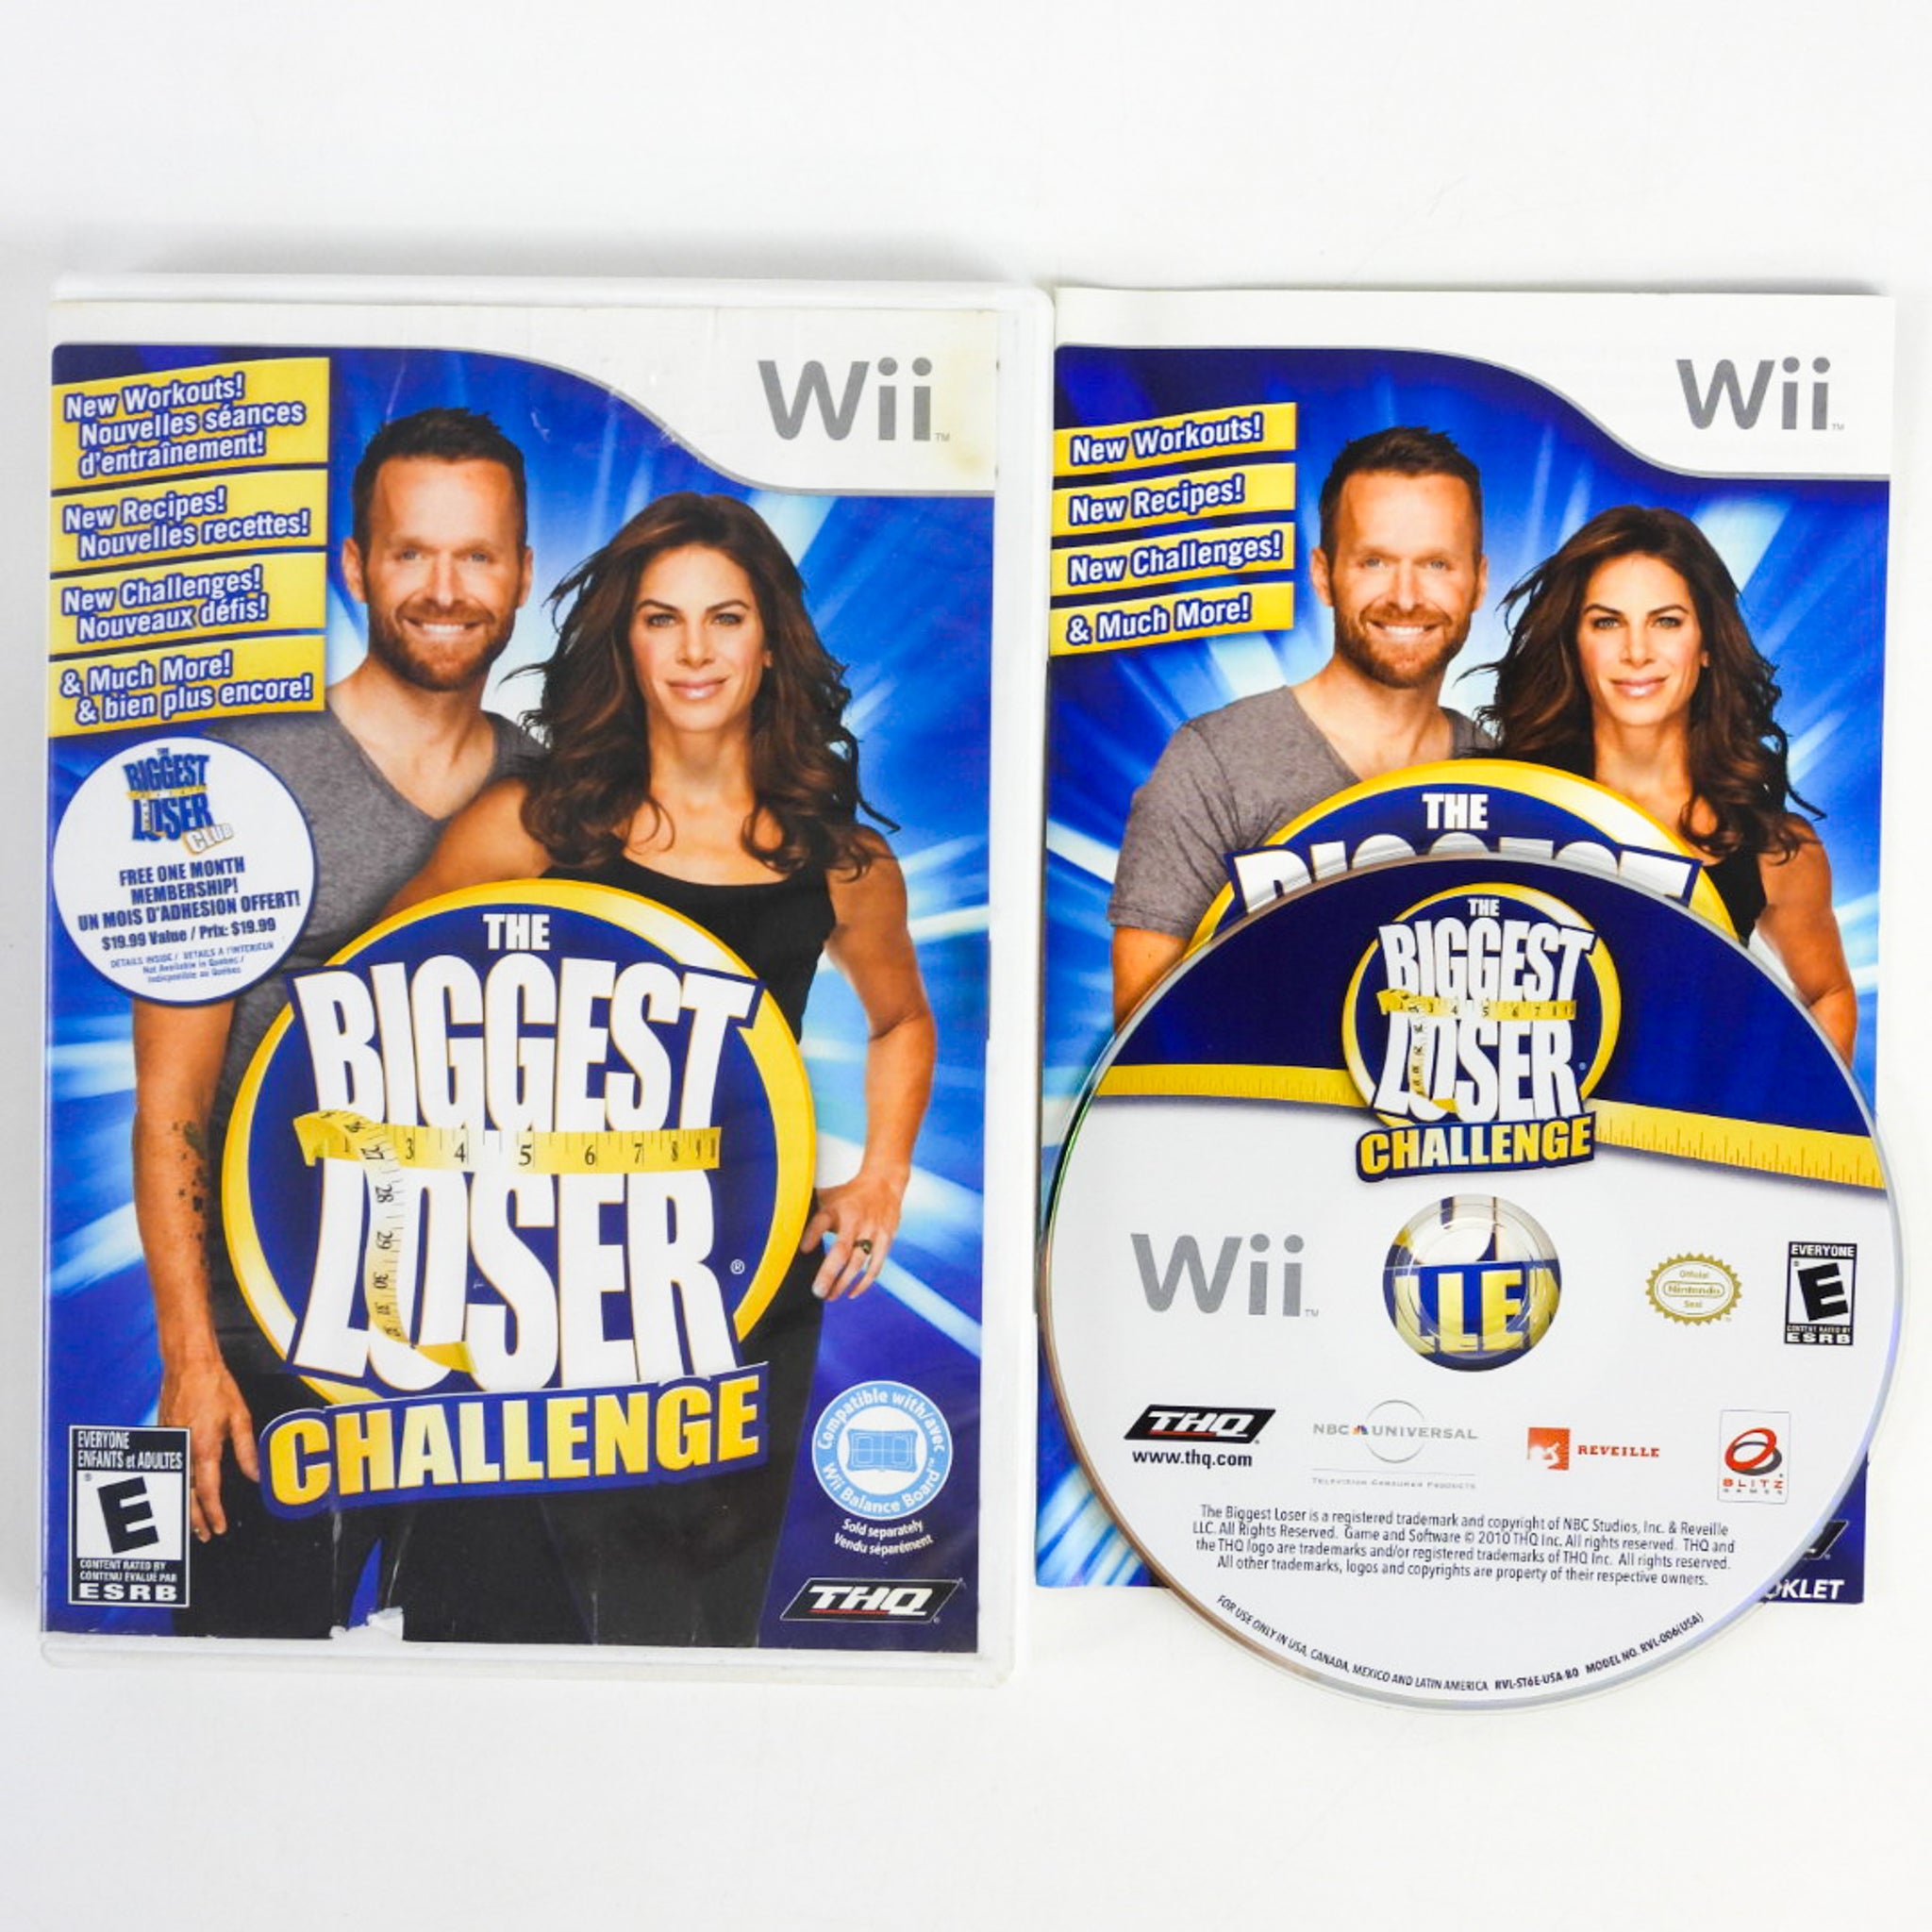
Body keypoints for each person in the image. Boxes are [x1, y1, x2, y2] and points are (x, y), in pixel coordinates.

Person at [377, 490, 935, 1644]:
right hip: (540, 1284)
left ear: (769, 640)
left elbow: (900, 1020)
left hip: (744, 1284)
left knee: (693, 1631)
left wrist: (880, 1175)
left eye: (724, 618)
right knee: (504, 1621)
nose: (694, 651)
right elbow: (376, 1003)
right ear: (623, 641)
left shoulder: (838, 859)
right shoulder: (533, 828)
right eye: (660, 618)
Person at [130, 407, 539, 1635]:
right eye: (412, 552)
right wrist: (192, 1357)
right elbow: (171, 1103)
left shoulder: (552, 789)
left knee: (502, 1699)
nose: (445, 590)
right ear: (356, 565)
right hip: (264, 1350)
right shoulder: (232, 778)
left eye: (476, 556)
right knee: (228, 1701)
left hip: (491, 1359)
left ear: (521, 575)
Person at [1109, 425, 1492, 1022]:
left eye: (1437, 563)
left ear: (1478, 582)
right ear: (1322, 573)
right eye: (1374, 561)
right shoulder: (1215, 764)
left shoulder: (1508, 774)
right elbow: (1141, 1046)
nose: (1406, 596)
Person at [1481, 503, 1854, 1059]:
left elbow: (1829, 994)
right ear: (1574, 644)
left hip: (1689, 1118)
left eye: (1666, 621)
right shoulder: (1501, 810)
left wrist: (1782, 1104)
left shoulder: (1774, 849)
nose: (1637, 652)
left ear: (1706, 645)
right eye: (1607, 622)